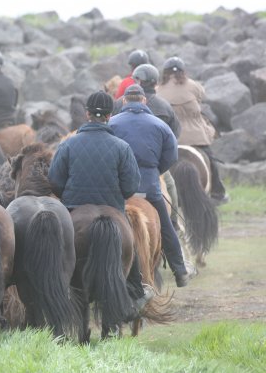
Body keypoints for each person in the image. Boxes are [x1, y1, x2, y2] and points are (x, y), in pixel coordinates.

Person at [48, 91, 152, 312]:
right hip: (112, 207)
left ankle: (53, 288)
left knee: (54, 247)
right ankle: (134, 290)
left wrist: (68, 196)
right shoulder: (121, 147)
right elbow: (131, 186)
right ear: (109, 116)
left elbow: (55, 181)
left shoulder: (67, 145)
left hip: (73, 208)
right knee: (129, 243)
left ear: (87, 114)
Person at [109, 84, 191, 287]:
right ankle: (179, 270)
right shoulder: (160, 125)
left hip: (119, 188)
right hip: (150, 186)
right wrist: (154, 170)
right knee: (166, 226)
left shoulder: (111, 123)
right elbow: (171, 155)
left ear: (125, 101)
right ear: (144, 101)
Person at [112, 63, 182, 227]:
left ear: (139, 81)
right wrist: (158, 168)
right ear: (154, 82)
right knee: (170, 186)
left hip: (121, 173)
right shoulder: (164, 106)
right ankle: (174, 222)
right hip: (152, 169)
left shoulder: (118, 105)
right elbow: (175, 134)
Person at [157, 56, 229, 203]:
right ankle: (217, 191)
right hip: (195, 136)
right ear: (183, 72)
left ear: (165, 72)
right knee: (210, 160)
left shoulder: (158, 89)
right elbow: (201, 96)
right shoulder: (193, 85)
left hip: (170, 137)